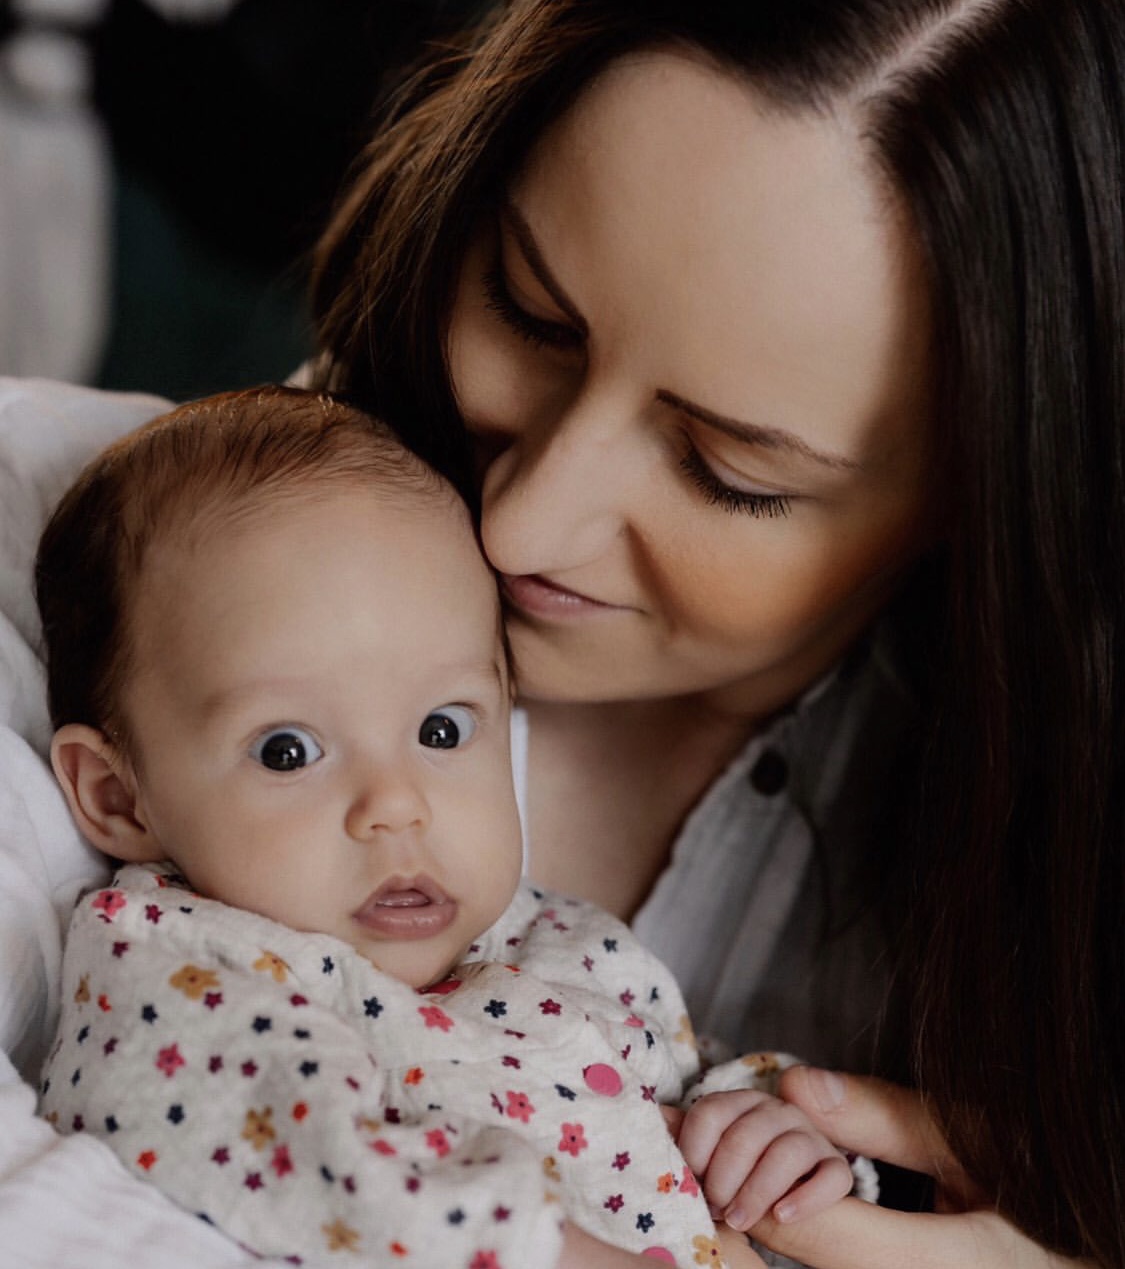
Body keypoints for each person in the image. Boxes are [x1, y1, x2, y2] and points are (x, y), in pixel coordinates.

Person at [0, 1, 1121, 1266]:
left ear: (988, 505)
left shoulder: (578, 951)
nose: (520, 523)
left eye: (727, 470)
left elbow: (669, 1090)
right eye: (532, 313)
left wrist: (784, 1134)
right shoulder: (58, 557)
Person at [33, 384, 868, 1269]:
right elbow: (291, 1162)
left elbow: (683, 1079)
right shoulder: (182, 965)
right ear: (119, 797)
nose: (397, 803)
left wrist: (756, 1127)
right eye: (287, 749)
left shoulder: (556, 940)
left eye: (441, 729)